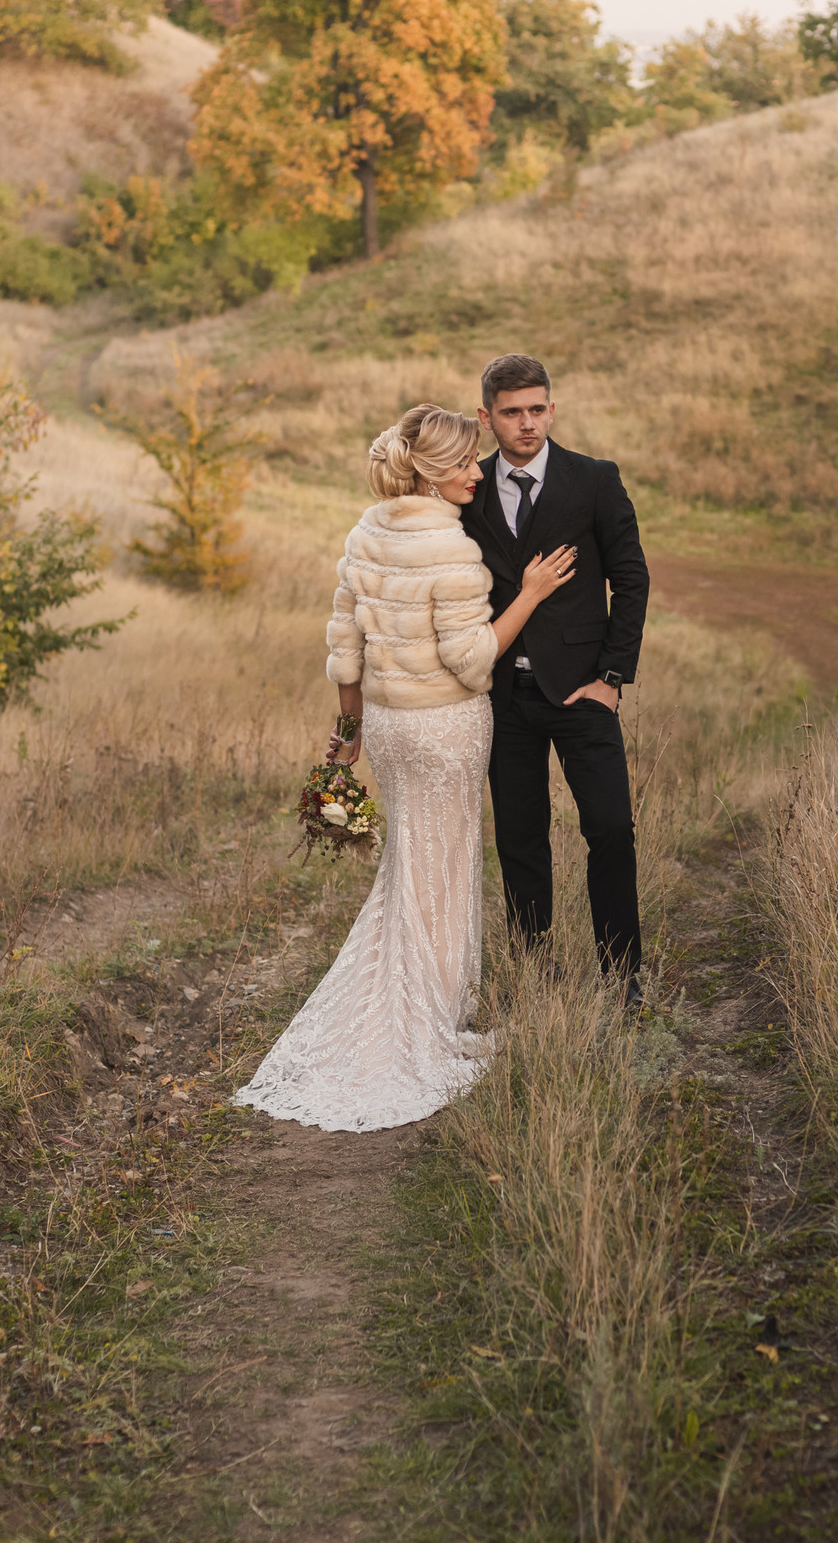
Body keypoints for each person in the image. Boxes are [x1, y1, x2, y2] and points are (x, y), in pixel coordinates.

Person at [233, 405, 577, 1133]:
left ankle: (417, 1005)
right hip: (445, 726)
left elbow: (345, 642)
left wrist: (348, 730)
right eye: (466, 463)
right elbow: (472, 660)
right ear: (434, 472)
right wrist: (531, 594)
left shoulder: (365, 531)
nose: (478, 473)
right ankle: (427, 1021)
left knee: (408, 864)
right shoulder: (452, 548)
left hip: (388, 729)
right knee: (443, 867)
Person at [458, 353, 652, 1009]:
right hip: (500, 696)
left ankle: (622, 976)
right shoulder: (469, 488)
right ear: (487, 417)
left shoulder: (594, 479)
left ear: (551, 408)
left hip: (582, 690)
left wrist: (612, 677)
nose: (527, 423)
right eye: (512, 412)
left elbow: (631, 579)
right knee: (520, 840)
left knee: (611, 828)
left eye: (537, 409)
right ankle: (532, 972)